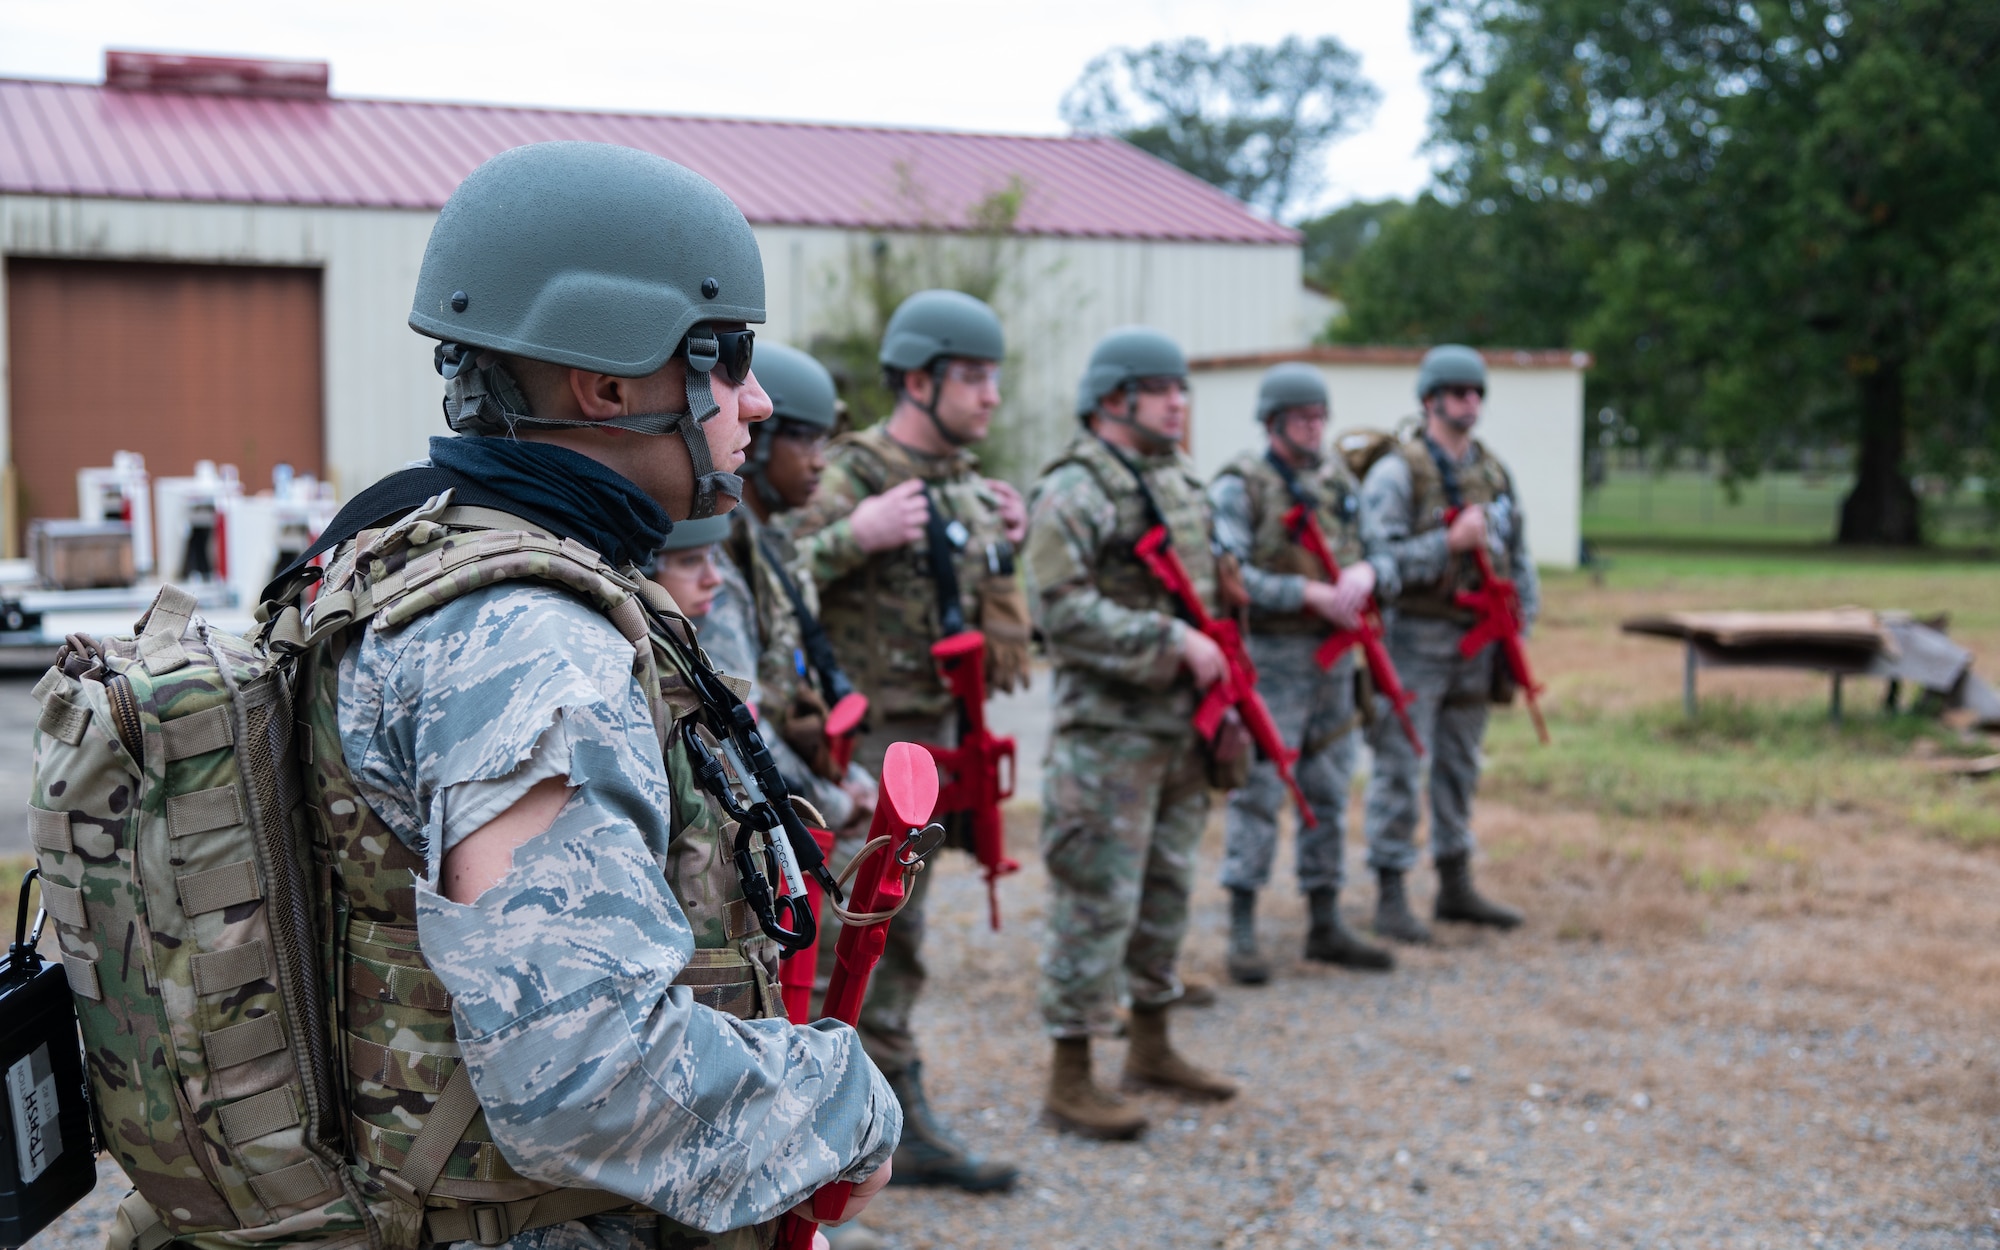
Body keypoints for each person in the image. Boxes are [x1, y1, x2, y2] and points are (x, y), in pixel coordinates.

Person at [312, 141, 896, 1250]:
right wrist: (847, 1105)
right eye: (724, 359)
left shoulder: (385, 548)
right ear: (609, 379)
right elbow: (583, 1075)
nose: (757, 401)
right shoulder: (528, 642)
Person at [782, 291, 1025, 1192]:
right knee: (857, 925)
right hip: (868, 738)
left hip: (941, 733)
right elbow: (759, 565)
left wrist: (1010, 542)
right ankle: (839, 1116)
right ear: (918, 381)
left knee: (907, 932)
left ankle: (883, 1110)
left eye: (995, 377)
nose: (991, 396)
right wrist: (856, 534)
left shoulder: (970, 485)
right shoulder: (850, 473)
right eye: (973, 376)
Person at [1022, 326, 1240, 1142]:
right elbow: (1058, 609)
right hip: (1108, 735)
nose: (1180, 401)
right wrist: (1169, 642)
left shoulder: (1180, 477)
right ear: (1116, 399)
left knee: (1165, 892)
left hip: (1181, 727)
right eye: (1163, 388)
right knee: (1095, 900)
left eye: (1181, 387)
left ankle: (1151, 1044)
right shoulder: (1079, 489)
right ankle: (1070, 1075)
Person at [1208, 363, 1398, 983]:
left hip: (1335, 664)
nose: (1315, 429)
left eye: (1320, 417)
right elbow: (1229, 573)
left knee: (1330, 786)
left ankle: (1325, 918)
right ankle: (1242, 921)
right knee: (1260, 791)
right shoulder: (1244, 485)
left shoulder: (1340, 480)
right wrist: (1304, 594)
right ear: (1273, 422)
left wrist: (1368, 574)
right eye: (1302, 419)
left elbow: (1378, 548)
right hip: (1274, 662)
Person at [1359, 344, 1536, 943]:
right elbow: (1377, 563)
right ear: (1431, 399)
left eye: (1477, 392)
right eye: (1459, 392)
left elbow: (1520, 552)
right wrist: (1449, 545)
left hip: (1478, 639)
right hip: (1414, 637)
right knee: (1401, 765)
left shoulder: (1493, 471)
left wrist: (1522, 622)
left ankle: (1455, 883)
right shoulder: (1398, 472)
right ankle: (1389, 889)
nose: (1471, 403)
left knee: (1460, 764)